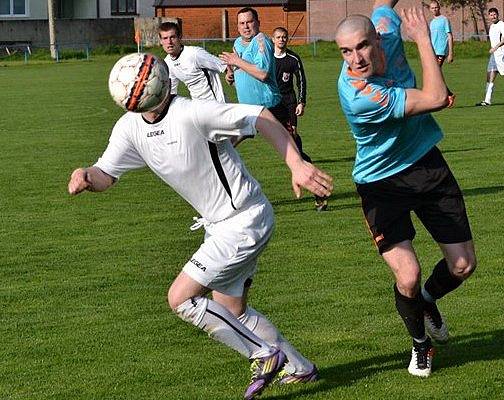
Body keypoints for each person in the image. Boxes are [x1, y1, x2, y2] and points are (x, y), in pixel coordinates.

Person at [68, 56, 330, 399]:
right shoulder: (129, 128)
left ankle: (263, 354)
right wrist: (86, 175)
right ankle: (300, 368)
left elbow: (260, 116)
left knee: (181, 298)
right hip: (220, 226)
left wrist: (296, 163)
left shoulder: (193, 112)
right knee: (232, 311)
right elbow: (107, 174)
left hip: (244, 219)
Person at [335, 0, 476, 378]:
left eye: (362, 46)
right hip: (381, 183)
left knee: (463, 266)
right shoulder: (359, 93)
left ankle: (428, 302)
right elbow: (433, 98)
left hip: (426, 164)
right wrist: (424, 41)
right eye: (345, 52)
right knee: (408, 275)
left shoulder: (384, 23)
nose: (356, 58)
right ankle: (420, 344)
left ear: (377, 37)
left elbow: (383, 3)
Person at [220, 8, 328, 211]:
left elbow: (262, 73)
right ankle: (227, 200)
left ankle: (319, 193)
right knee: (223, 149)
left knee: (295, 152)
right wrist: (230, 73)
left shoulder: (262, 41)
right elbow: (235, 66)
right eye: (242, 23)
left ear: (258, 23)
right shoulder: (236, 43)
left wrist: (237, 62)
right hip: (247, 111)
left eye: (249, 22)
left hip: (271, 109)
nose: (246, 26)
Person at [271, 27, 327, 210]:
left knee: (295, 149)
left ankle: (319, 191)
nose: (281, 40)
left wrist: (301, 102)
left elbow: (301, 80)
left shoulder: (292, 59)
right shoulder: (266, 58)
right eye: (278, 37)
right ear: (272, 39)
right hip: (266, 106)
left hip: (287, 106)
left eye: (284, 37)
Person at [159, 21, 227, 102]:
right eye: (165, 38)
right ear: (161, 41)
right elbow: (171, 92)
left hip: (217, 105)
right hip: (197, 107)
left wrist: (229, 74)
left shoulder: (195, 54)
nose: (169, 42)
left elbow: (224, 65)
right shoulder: (167, 63)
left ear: (180, 37)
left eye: (172, 37)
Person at [428, 0, 455, 107]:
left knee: (435, 74)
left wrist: (450, 53)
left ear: (439, 8)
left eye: (436, 7)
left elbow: (450, 36)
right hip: (433, 51)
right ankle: (448, 95)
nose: (435, 9)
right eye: (432, 8)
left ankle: (445, 96)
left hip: (441, 51)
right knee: (435, 75)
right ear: (430, 9)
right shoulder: (432, 22)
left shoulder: (444, 20)